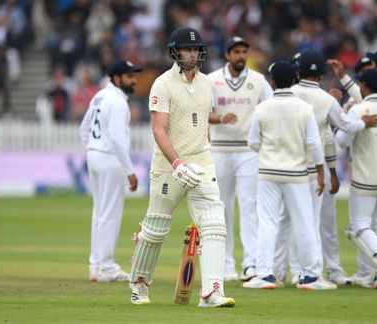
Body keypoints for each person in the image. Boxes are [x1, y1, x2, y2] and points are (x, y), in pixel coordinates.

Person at [128, 26, 235, 308]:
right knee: (156, 228)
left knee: (214, 224)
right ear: (175, 52)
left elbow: (200, 122)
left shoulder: (207, 83)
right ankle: (139, 283)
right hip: (169, 165)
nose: (192, 53)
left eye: (196, 49)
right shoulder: (162, 84)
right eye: (186, 49)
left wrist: (206, 150)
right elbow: (159, 130)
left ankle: (212, 292)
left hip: (202, 162)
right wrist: (176, 164)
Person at [273, 50, 377, 287]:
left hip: (282, 167)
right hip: (311, 171)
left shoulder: (284, 96)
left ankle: (277, 273)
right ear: (322, 73)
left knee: (283, 221)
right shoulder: (326, 100)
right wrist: (364, 122)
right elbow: (344, 125)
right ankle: (307, 273)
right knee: (309, 222)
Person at [243, 61, 334, 290]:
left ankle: (265, 275)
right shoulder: (304, 108)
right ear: (293, 81)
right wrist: (321, 173)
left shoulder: (262, 108)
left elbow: (253, 142)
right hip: (297, 174)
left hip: (268, 173)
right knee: (304, 223)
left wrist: (269, 152)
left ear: (272, 82)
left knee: (267, 223)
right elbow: (314, 143)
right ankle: (311, 276)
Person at [329, 49, 377, 288]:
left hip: (366, 177)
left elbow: (342, 142)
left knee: (360, 226)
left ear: (363, 86)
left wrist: (339, 123)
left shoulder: (358, 110)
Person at [208, 36, 273, 282]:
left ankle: (251, 263)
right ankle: (225, 264)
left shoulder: (258, 81)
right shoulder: (212, 79)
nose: (241, 56)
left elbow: (270, 108)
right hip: (220, 149)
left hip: (248, 151)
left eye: (244, 51)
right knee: (222, 207)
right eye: (236, 51)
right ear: (227, 55)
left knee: (249, 205)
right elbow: (203, 111)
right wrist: (220, 119)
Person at [79, 60, 141, 282]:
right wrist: (129, 171)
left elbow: (84, 129)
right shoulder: (117, 102)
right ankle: (105, 266)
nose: (134, 80)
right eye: (129, 76)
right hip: (109, 159)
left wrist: (93, 149)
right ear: (116, 78)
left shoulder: (100, 96)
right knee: (110, 214)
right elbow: (116, 139)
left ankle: (96, 265)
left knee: (100, 213)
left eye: (134, 75)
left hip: (95, 156)